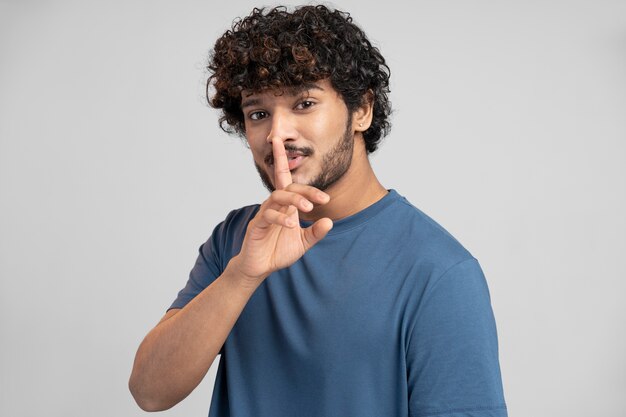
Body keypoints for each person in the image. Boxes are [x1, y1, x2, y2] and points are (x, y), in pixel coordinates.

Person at [129, 5, 508, 417]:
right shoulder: (237, 239)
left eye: (304, 103)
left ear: (362, 110)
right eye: (258, 114)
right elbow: (150, 392)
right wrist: (242, 275)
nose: (277, 133)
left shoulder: (439, 272)